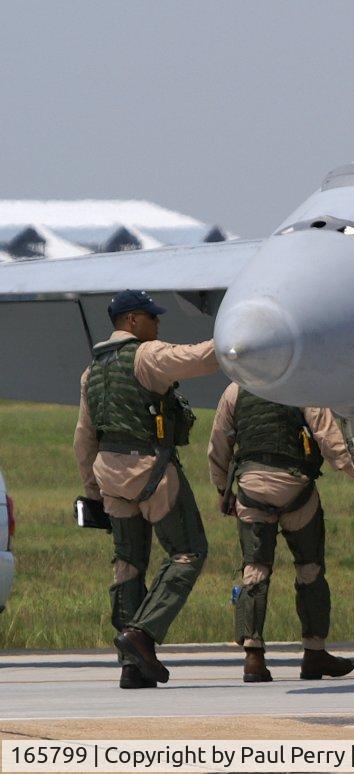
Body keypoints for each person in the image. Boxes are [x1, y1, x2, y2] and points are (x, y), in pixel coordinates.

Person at [73, 289, 218, 689]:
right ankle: (142, 633)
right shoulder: (147, 356)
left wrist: (93, 492)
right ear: (133, 321)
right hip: (152, 471)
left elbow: (84, 440)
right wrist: (242, 338)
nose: (158, 325)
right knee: (188, 553)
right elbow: (200, 358)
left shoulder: (92, 371)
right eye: (153, 318)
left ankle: (131, 667)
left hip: (110, 478)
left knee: (128, 566)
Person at [207, 383, 354, 682]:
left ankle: (253, 658)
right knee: (309, 570)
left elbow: (218, 444)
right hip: (295, 486)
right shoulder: (299, 383)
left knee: (254, 571)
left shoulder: (234, 390)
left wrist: (223, 490)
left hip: (251, 487)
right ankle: (314, 653)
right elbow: (326, 434)